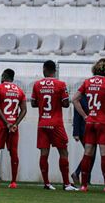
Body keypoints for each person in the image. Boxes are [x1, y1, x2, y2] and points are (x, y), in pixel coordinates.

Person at [72, 58, 105, 193]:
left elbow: (74, 99)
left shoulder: (87, 82)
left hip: (90, 121)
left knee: (87, 153)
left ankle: (84, 185)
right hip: (103, 122)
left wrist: (85, 116)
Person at [31, 60, 76, 191]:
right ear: (54, 70)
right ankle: (67, 184)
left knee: (44, 153)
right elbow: (66, 104)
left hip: (42, 123)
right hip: (56, 123)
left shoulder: (37, 84)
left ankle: (47, 183)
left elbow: (33, 104)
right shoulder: (60, 84)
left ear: (44, 69)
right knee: (63, 152)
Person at [0, 69, 27, 189]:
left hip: (0, 124)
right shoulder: (20, 91)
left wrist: (6, 123)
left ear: (3, 76)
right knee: (13, 152)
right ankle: (13, 182)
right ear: (12, 78)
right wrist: (15, 123)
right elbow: (24, 110)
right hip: (13, 125)